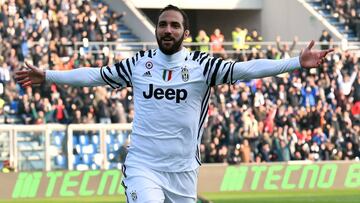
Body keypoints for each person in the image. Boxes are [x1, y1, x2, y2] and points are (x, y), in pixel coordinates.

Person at [15, 4, 333, 203]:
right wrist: (48, 75)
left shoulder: (203, 66)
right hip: (144, 166)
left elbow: (247, 69)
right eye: (163, 24)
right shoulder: (138, 64)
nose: (168, 30)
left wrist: (295, 62)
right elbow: (95, 75)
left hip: (183, 170)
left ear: (185, 31)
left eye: (175, 25)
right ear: (156, 29)